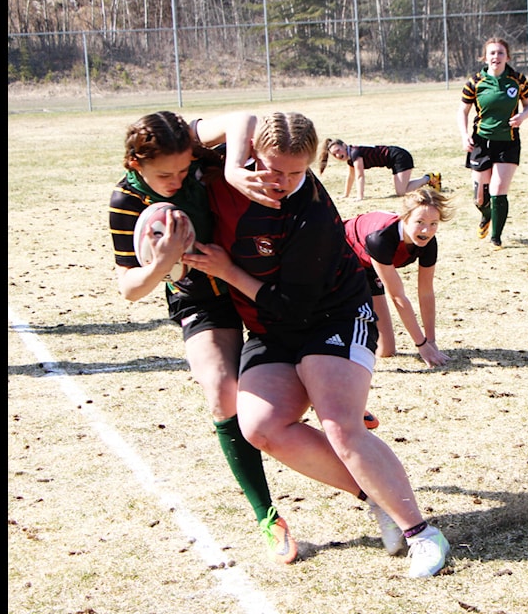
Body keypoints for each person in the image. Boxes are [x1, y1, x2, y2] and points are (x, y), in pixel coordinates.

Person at [184, 111, 450, 578]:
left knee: (341, 425)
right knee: (261, 425)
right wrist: (229, 167)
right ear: (249, 153)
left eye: (296, 171)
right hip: (270, 327)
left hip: (333, 313)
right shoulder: (229, 162)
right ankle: (377, 498)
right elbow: (187, 130)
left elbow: (291, 305)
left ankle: (422, 534)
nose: (283, 180)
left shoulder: (309, 214)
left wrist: (225, 271)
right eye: (272, 168)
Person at [107, 111, 300, 564]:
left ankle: (334, 401)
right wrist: (162, 262)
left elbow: (245, 118)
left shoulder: (192, 143)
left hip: (252, 271)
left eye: (182, 169)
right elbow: (129, 288)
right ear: (135, 163)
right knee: (221, 391)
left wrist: (229, 167)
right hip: (199, 297)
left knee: (307, 344)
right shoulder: (125, 198)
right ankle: (267, 515)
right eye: (163, 174)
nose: (175, 180)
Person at [343, 187, 455, 366]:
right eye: (420, 221)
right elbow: (397, 296)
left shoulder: (428, 242)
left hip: (368, 265)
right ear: (405, 218)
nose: (426, 230)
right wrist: (421, 344)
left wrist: (431, 341)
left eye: (434, 223)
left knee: (386, 350)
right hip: (341, 256)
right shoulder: (381, 239)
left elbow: (425, 292)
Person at [457, 37, 528, 250]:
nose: (496, 57)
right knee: (479, 198)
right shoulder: (475, 82)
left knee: (498, 189)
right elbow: (462, 110)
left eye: (500, 53)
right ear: (485, 57)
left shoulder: (517, 79)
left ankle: (496, 237)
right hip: (481, 142)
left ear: (507, 56)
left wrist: (522, 117)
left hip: (508, 143)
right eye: (492, 53)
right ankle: (486, 215)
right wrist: (465, 135)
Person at [319, 139, 441, 200]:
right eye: (334, 155)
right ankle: (429, 179)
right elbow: (351, 176)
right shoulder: (351, 157)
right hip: (393, 161)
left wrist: (360, 197)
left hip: (399, 156)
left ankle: (429, 178)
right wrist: (345, 195)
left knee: (401, 192)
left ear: (344, 146)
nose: (338, 155)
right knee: (401, 190)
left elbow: (359, 176)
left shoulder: (355, 153)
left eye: (338, 151)